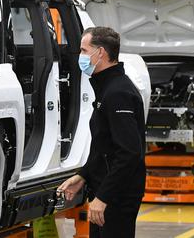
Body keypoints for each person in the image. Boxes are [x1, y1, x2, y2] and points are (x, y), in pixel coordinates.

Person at [57, 27, 146, 238]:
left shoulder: (118, 93)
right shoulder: (106, 88)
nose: (80, 57)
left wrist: (104, 198)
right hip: (107, 190)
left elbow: (129, 152)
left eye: (84, 50)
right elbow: (104, 147)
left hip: (118, 195)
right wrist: (83, 175)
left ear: (101, 53)